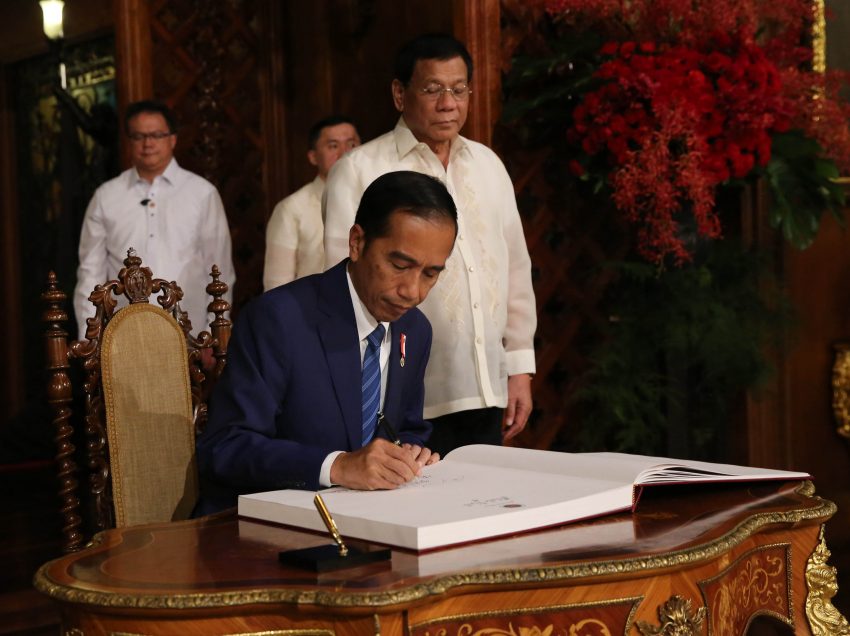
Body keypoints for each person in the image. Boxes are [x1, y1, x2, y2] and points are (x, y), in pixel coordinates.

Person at [323, 33, 537, 456]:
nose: (449, 103)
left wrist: (518, 368)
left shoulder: (489, 165)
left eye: (459, 90)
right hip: (402, 394)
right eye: (433, 89)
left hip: (486, 386)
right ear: (400, 94)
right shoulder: (360, 169)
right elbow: (340, 281)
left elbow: (514, 269)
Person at [195, 170, 457, 514]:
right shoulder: (279, 319)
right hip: (261, 527)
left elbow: (406, 428)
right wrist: (338, 465)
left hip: (370, 522)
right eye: (398, 265)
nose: (413, 291)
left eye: (430, 273)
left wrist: (410, 453)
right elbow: (225, 447)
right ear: (357, 243)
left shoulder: (415, 329)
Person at [74, 100, 235, 338]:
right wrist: (90, 338)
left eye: (156, 135)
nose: (148, 143)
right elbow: (90, 273)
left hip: (190, 332)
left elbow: (219, 269)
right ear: (129, 142)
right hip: (123, 335)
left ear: (173, 139)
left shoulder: (202, 193)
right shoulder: (106, 196)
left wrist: (216, 330)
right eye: (138, 136)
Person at [263, 115, 360, 291]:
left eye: (352, 144)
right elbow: (276, 286)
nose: (345, 153)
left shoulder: (375, 199)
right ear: (313, 157)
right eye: (333, 146)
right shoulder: (292, 209)